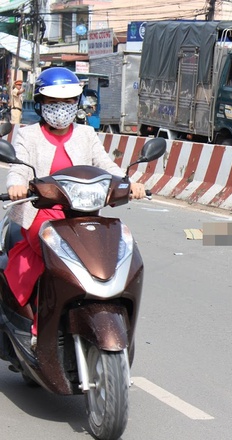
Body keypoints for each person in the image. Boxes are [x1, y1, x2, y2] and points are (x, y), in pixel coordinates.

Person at [5, 67, 146, 344]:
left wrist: (130, 183)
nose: (62, 109)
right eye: (54, 103)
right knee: (55, 259)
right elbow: (17, 167)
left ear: (77, 104)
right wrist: (16, 185)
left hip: (82, 215)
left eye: (68, 102)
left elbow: (106, 166)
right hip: (41, 213)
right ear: (41, 103)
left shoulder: (86, 135)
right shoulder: (28, 135)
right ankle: (40, 325)